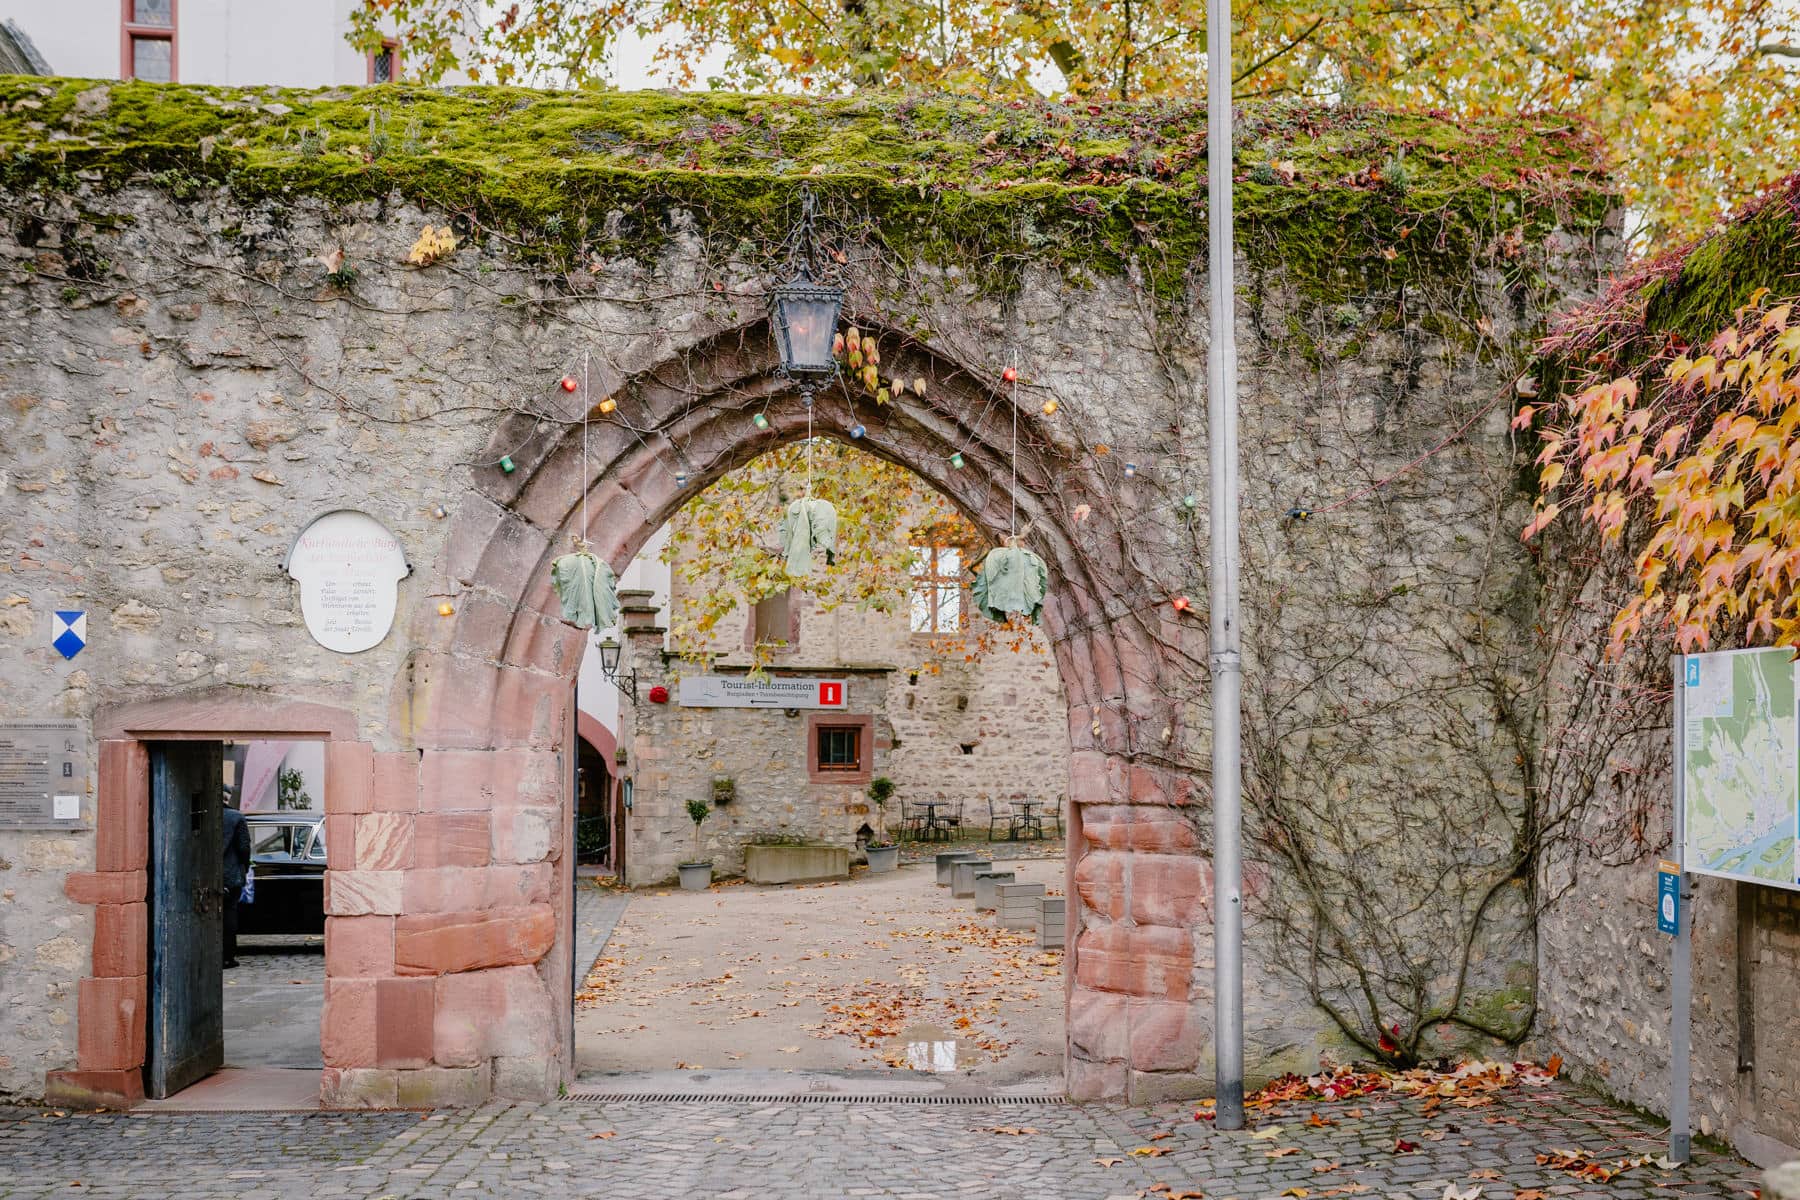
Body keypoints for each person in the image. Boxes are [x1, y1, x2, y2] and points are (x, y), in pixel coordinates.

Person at [221, 795, 250, 969]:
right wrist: (245, 867)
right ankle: (227, 956)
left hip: (205, 873)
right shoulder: (236, 817)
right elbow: (244, 847)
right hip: (231, 873)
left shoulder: (200, 814)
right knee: (229, 914)